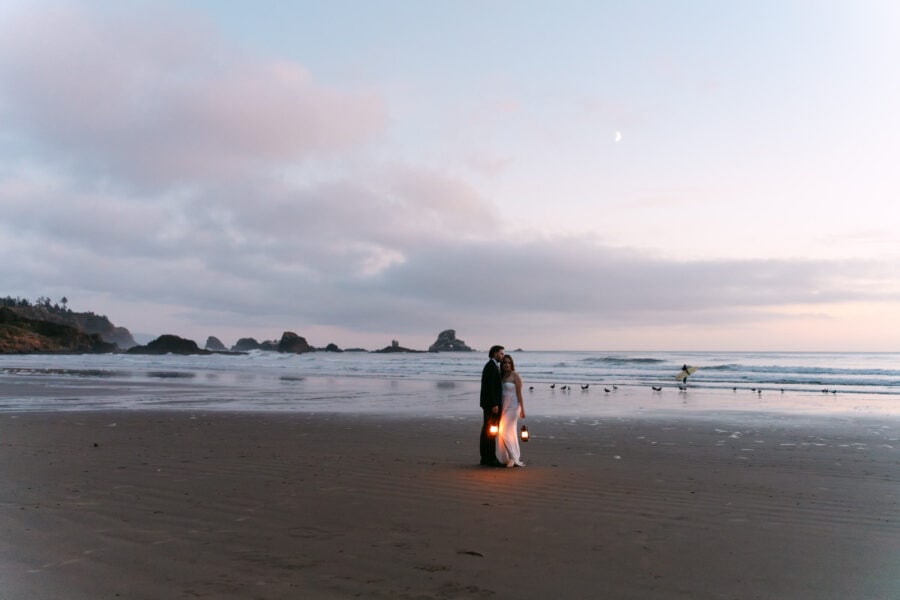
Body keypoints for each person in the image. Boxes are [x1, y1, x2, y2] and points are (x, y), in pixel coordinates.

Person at [496, 354, 526, 467]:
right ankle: (508, 457)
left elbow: (519, 393)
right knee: (508, 432)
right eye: (504, 363)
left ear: (511, 364)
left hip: (514, 407)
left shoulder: (515, 376)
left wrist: (522, 409)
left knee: (504, 431)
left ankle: (513, 458)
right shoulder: (501, 377)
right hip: (504, 406)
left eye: (509, 362)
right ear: (502, 365)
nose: (506, 364)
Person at [479, 345, 505, 466]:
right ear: (495, 353)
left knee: (488, 430)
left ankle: (486, 457)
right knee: (490, 430)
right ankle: (489, 458)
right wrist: (494, 403)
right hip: (491, 405)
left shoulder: (493, 366)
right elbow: (489, 387)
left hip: (489, 404)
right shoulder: (491, 366)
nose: (502, 356)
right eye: (501, 353)